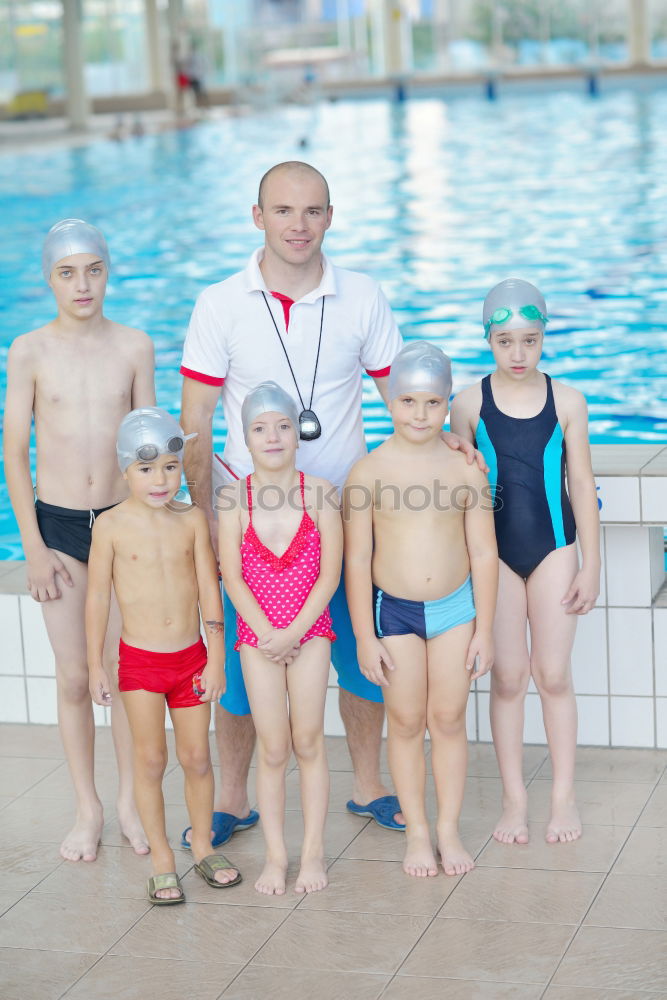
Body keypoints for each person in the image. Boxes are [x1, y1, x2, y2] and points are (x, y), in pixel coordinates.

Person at [179, 160, 481, 848]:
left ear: (330, 217)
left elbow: (401, 397)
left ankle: (369, 783)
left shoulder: (363, 297)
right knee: (245, 656)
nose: (298, 224)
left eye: (313, 210)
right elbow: (193, 419)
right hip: (251, 519)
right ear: (257, 217)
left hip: (344, 514)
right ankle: (233, 794)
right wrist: (202, 521)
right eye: (283, 211)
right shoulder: (219, 303)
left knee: (360, 652)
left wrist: (455, 445)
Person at [3, 219, 155, 862]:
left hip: (124, 525)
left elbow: (148, 442)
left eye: (92, 269)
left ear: (107, 270)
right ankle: (86, 807)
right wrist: (32, 548)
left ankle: (128, 803)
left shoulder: (134, 346)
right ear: (49, 279)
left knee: (124, 676)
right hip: (60, 527)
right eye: (68, 272)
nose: (82, 283)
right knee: (72, 678)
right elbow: (14, 453)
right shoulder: (29, 350)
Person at [450, 279, 600, 845]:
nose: (518, 354)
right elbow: (458, 487)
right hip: (496, 557)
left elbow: (581, 485)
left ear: (544, 338)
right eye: (505, 341)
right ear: (488, 338)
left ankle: (563, 796)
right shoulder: (467, 404)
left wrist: (592, 564)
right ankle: (515, 800)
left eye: (530, 341)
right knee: (508, 679)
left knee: (553, 675)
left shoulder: (568, 401)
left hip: (556, 549)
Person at [344, 341, 498, 877]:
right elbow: (357, 560)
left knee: (449, 718)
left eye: (433, 403)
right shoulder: (368, 472)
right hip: (396, 613)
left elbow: (483, 551)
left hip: (456, 609)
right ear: (389, 401)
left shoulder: (466, 470)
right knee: (406, 721)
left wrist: (484, 629)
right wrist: (364, 636)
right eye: (408, 401)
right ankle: (418, 832)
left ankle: (449, 830)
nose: (420, 414)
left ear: (447, 403)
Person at [86, 407, 241, 903]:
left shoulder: (192, 520)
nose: (160, 480)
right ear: (125, 469)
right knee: (150, 761)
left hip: (191, 658)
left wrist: (216, 657)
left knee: (196, 757)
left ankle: (200, 846)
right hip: (141, 665)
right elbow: (97, 599)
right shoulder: (109, 527)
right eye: (146, 469)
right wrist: (94, 665)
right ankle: (161, 858)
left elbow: (209, 593)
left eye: (170, 468)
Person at [218, 382, 342, 894]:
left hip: (309, 631)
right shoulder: (234, 498)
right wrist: (268, 634)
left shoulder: (321, 493)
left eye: (283, 426)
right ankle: (276, 856)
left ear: (298, 433)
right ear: (245, 438)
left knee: (308, 741)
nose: (272, 437)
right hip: (257, 636)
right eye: (259, 428)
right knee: (273, 749)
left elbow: (329, 576)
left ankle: (312, 854)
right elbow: (232, 575)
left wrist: (292, 631)